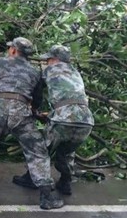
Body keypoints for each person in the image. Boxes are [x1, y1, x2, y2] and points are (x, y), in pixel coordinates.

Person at [0, 37, 63, 210]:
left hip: (0, 106)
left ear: (13, 50)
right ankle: (46, 195)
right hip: (21, 110)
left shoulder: (1, 62)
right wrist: (34, 111)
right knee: (36, 150)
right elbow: (38, 98)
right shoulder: (34, 71)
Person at [13, 45, 93, 197]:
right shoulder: (76, 73)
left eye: (48, 59)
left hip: (63, 119)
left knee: (41, 149)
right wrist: (52, 113)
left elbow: (37, 92)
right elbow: (72, 99)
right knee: (66, 150)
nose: (46, 62)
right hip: (86, 121)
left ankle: (33, 178)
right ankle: (65, 181)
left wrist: (34, 110)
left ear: (55, 59)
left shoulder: (50, 70)